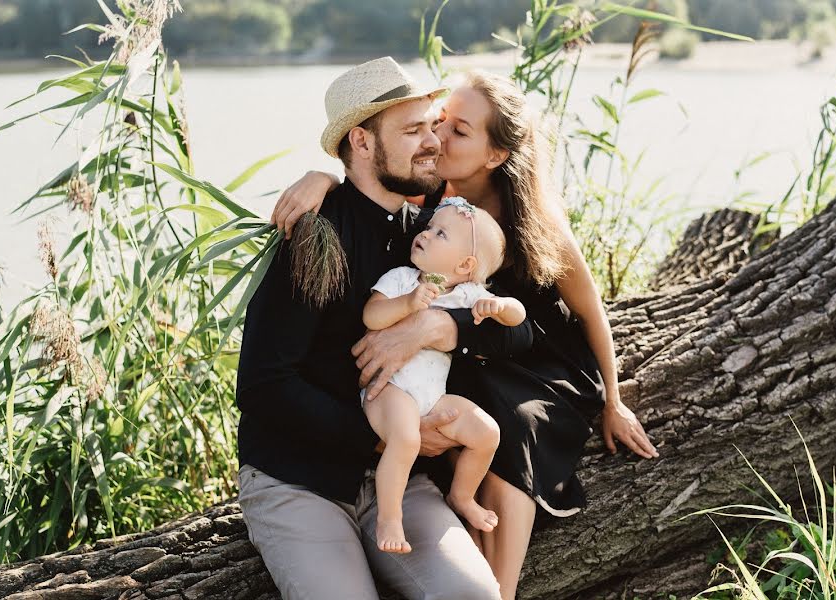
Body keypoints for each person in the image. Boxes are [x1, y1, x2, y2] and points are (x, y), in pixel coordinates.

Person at [271, 69, 660, 600]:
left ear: (495, 155)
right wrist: (326, 179)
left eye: (456, 130)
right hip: (475, 361)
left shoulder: (532, 220)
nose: (438, 138)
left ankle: (499, 578)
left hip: (539, 360)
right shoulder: (432, 204)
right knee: (459, 404)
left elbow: (588, 314)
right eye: (437, 123)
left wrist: (614, 401)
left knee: (507, 420)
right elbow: (370, 184)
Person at [235, 57, 531, 600]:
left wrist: (440, 326)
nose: (433, 141)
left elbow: (515, 333)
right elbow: (263, 384)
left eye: (432, 125)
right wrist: (381, 439)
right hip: (298, 480)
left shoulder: (428, 231)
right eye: (413, 130)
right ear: (363, 143)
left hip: (398, 482)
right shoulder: (315, 240)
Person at [363, 196, 526, 554]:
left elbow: (519, 315)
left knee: (487, 433)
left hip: (431, 397)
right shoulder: (403, 279)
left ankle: (461, 495)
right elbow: (371, 317)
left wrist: (498, 307)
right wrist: (407, 304)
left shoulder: (467, 294)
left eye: (441, 234)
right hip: (392, 389)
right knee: (406, 439)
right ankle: (389, 517)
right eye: (429, 227)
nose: (426, 234)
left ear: (466, 264)